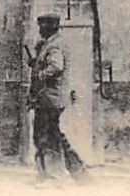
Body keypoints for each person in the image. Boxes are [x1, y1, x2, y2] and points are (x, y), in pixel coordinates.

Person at [29, 14, 88, 184]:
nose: (40, 30)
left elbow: (56, 66)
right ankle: (79, 173)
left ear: (49, 27)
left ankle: (53, 177)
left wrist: (40, 74)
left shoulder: (54, 45)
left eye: (42, 27)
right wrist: (37, 63)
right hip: (50, 99)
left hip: (49, 99)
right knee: (54, 136)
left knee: (45, 137)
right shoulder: (53, 43)